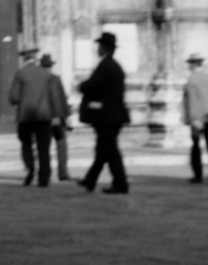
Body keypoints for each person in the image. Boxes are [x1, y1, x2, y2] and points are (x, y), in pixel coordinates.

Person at [77, 32, 129, 194]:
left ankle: (121, 184)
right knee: (102, 151)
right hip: (113, 115)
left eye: (99, 46)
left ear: (105, 48)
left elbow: (93, 84)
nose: (97, 49)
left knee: (111, 151)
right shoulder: (114, 65)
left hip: (107, 116)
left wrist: (81, 85)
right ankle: (90, 180)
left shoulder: (105, 66)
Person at [9, 46, 54, 186]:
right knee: (44, 147)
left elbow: (14, 97)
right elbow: (53, 95)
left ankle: (30, 169)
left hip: (25, 116)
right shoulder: (46, 74)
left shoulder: (20, 74)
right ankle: (44, 178)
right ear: (36, 58)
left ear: (24, 59)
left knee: (26, 144)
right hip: (43, 116)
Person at [183, 53, 208, 184]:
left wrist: (192, 118)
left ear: (193, 64)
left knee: (196, 146)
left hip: (198, 117)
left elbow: (192, 101)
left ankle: (198, 174)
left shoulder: (192, 80)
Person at [40, 53, 71, 182]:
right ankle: (62, 172)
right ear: (51, 66)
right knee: (61, 144)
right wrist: (64, 116)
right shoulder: (55, 79)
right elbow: (60, 99)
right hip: (56, 117)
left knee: (44, 146)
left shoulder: (39, 80)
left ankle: (45, 174)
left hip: (44, 117)